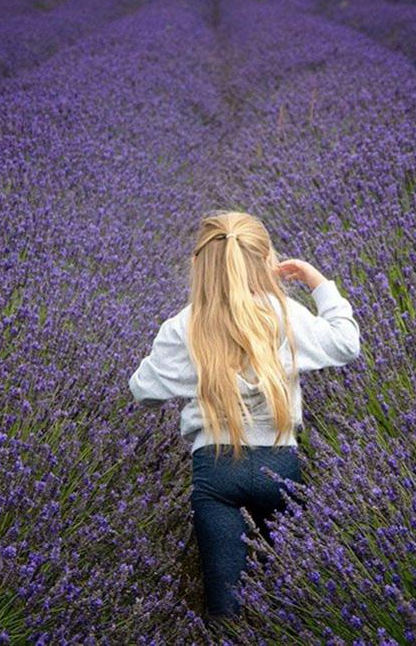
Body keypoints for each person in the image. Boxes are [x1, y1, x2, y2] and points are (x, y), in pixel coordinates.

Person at [127, 210, 361, 622]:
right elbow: (346, 344)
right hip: (280, 467)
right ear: (267, 259)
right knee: (284, 598)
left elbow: (142, 391)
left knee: (225, 608)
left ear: (200, 266)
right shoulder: (284, 314)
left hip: (215, 470)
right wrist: (318, 283)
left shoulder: (185, 325)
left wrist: (191, 373)